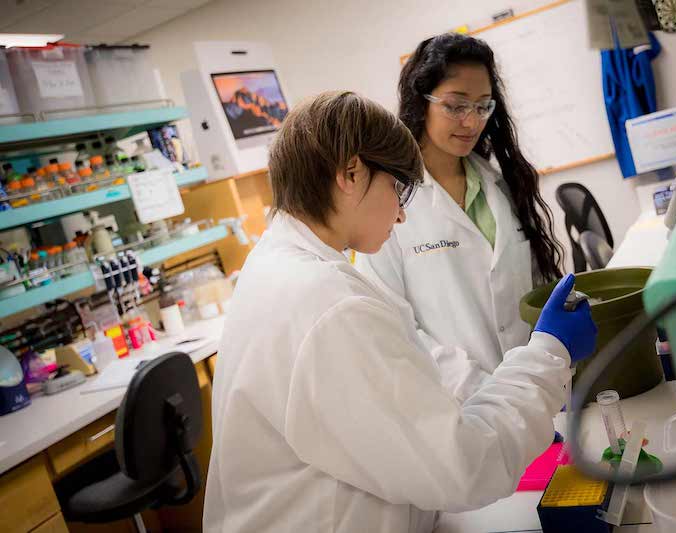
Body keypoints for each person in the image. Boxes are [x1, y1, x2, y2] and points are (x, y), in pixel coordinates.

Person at [203, 91, 596, 532]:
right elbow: (462, 466)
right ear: (352, 172)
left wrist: (518, 409)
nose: (402, 215)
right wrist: (547, 354)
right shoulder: (328, 304)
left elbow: (407, 368)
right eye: (397, 187)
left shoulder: (281, 265)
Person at [356, 33, 565, 402]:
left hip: (536, 392)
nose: (471, 121)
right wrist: (482, 391)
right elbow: (391, 327)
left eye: (484, 106)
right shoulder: (386, 202)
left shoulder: (498, 185)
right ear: (421, 102)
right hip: (461, 405)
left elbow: (529, 290)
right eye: (455, 106)